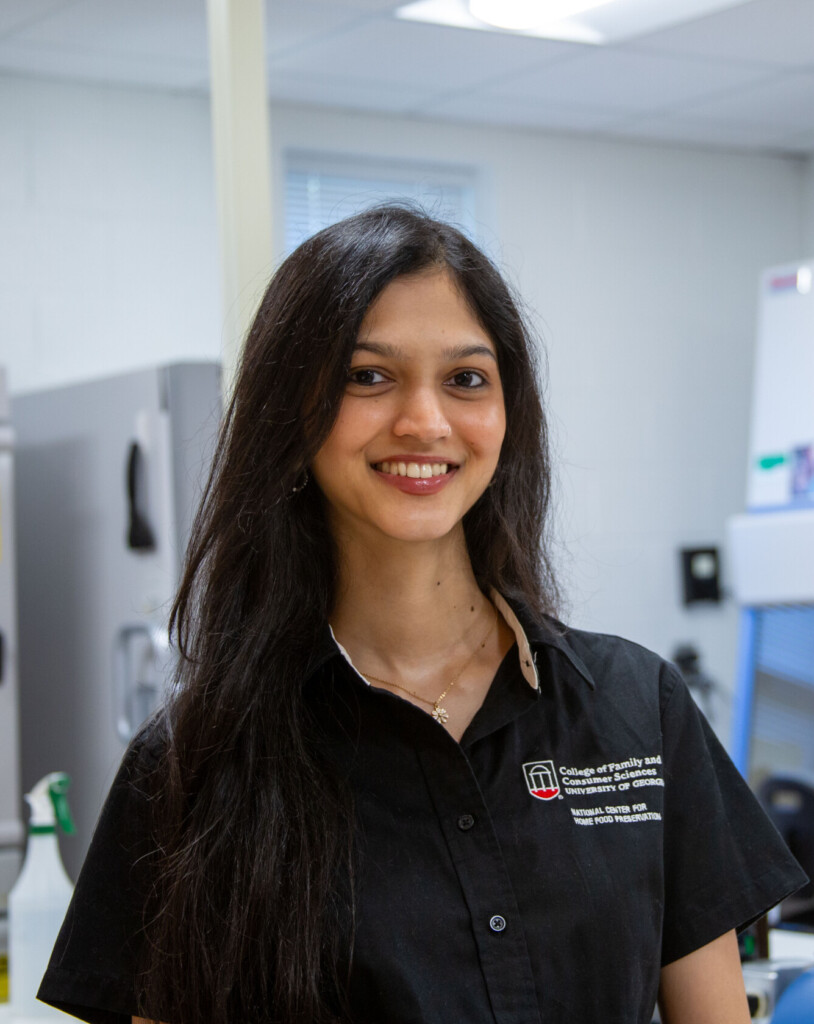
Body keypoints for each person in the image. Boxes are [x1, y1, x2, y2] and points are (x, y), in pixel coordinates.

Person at [39, 206, 806, 1024]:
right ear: (290, 413)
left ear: (509, 418)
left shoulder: (636, 708)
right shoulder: (194, 762)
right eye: (368, 376)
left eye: (466, 379)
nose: (426, 422)